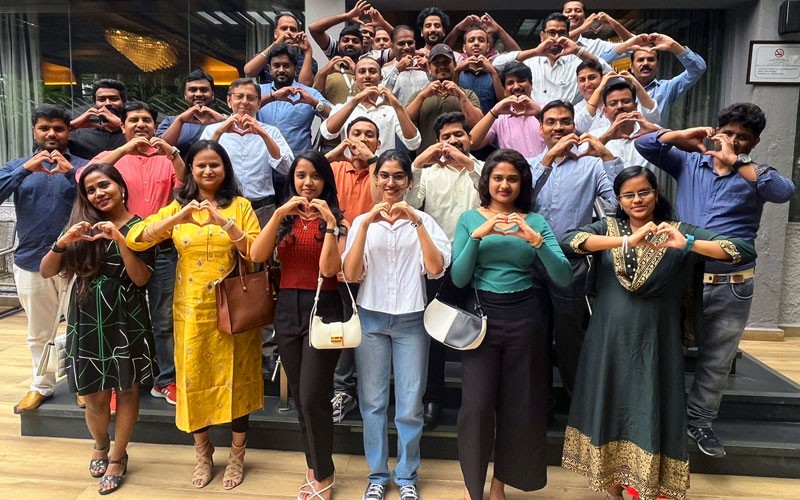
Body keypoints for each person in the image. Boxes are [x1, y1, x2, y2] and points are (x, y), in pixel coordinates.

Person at [560, 166, 756, 500]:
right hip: (608, 342)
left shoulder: (678, 231)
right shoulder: (609, 229)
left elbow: (742, 250)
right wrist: (626, 240)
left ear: (656, 193)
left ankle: (646, 483)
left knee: (648, 407)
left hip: (655, 343)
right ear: (618, 200)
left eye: (644, 192)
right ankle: (611, 486)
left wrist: (690, 244)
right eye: (628, 195)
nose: (637, 200)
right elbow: (570, 242)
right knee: (609, 405)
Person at [634, 103, 796, 457]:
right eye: (730, 133)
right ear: (717, 129)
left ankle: (700, 423)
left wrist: (737, 162)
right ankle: (664, 416)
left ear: (754, 142)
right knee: (667, 350)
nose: (735, 141)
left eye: (744, 138)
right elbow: (645, 145)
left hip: (732, 283)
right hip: (682, 277)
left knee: (717, 359)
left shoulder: (757, 173)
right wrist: (683, 136)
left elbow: (784, 192)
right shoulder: (690, 162)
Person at [126, 140, 262, 490]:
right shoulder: (178, 206)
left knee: (237, 380)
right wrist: (177, 217)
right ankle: (203, 453)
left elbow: (256, 251)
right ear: (190, 169)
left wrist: (225, 223)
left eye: (215, 164)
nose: (207, 171)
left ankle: (237, 455)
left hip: (233, 308)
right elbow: (137, 238)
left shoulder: (241, 206)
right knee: (193, 382)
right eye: (200, 165)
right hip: (190, 311)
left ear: (225, 169)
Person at [450, 148, 571, 500]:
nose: (504, 185)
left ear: (522, 184)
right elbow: (458, 278)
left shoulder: (535, 222)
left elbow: (563, 276)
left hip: (525, 317)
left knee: (520, 405)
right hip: (482, 319)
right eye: (498, 177)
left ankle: (499, 483)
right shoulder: (470, 219)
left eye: (513, 179)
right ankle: (474, 488)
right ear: (486, 181)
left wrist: (536, 242)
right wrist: (477, 237)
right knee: (476, 406)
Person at [40, 163, 155, 495]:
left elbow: (141, 278)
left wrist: (119, 238)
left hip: (126, 315)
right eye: (90, 190)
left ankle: (118, 456)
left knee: (128, 389)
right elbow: (47, 270)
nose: (98, 193)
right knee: (93, 395)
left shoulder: (140, 228)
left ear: (121, 186)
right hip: (86, 314)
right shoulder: (80, 226)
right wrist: (63, 242)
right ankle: (101, 444)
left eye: (104, 185)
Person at [343, 149, 451, 500]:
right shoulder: (361, 222)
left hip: (411, 321)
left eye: (398, 176)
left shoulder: (425, 221)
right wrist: (367, 224)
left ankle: (406, 476)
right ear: (375, 179)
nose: (390, 183)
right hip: (371, 317)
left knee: (409, 403)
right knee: (372, 401)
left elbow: (435, 269)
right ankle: (376, 475)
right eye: (384, 176)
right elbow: (351, 274)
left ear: (409, 181)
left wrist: (416, 221)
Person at [250, 151, 349, 500]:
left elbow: (328, 270)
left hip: (325, 306)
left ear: (326, 181)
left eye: (316, 176)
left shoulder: (337, 218)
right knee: (299, 397)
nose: (308, 183)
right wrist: (278, 214)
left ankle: (324, 472)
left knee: (312, 395)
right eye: (301, 176)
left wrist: (331, 224)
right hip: (287, 307)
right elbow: (257, 255)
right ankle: (314, 465)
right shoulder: (285, 219)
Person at [80, 100, 185, 406]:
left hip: (162, 249)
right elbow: (83, 179)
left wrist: (172, 152)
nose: (141, 125)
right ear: (123, 126)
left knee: (164, 317)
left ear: (155, 126)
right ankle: (117, 381)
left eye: (147, 120)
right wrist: (124, 151)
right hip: (113, 248)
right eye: (134, 120)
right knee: (120, 316)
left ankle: (165, 380)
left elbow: (185, 185)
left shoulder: (166, 159)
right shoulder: (110, 158)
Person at [529, 99, 623, 397]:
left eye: (565, 121)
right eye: (552, 122)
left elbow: (620, 204)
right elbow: (521, 203)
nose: (559, 127)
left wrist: (606, 153)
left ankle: (578, 406)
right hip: (529, 262)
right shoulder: (529, 164)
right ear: (541, 129)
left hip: (570, 262)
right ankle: (536, 405)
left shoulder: (591, 166)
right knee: (533, 337)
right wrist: (549, 160)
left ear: (575, 126)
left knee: (570, 337)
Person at [2, 104, 88, 412]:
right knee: (39, 331)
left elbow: (101, 198)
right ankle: (42, 384)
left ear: (68, 131)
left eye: (58, 128)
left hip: (78, 262)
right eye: (44, 128)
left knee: (81, 327)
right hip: (31, 260)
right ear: (35, 131)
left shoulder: (84, 166)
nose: (51, 134)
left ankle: (82, 385)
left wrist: (72, 175)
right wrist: (25, 170)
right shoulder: (17, 166)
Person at [408, 112, 483, 430]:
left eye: (459, 136)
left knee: (479, 334)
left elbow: (492, 198)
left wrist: (468, 165)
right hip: (439, 264)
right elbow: (410, 204)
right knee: (435, 334)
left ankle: (478, 401)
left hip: (480, 261)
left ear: (469, 138)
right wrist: (416, 166)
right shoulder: (428, 172)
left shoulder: (480, 168)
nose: (453, 142)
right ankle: (433, 399)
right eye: (446, 137)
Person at [324, 117, 383, 423]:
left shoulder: (381, 171)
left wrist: (373, 162)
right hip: (335, 258)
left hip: (375, 260)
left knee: (369, 325)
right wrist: (335, 152)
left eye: (369, 134)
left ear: (378, 143)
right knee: (343, 323)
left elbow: (380, 198)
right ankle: (343, 389)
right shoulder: (333, 169)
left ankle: (370, 391)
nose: (361, 139)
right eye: (355, 133)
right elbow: (308, 175)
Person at [201, 77, 294, 226]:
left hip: (263, 209)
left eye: (251, 98)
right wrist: (220, 132)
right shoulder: (212, 131)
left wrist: (263, 134)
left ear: (258, 104)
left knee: (263, 250)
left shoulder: (271, 131)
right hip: (224, 206)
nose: (245, 102)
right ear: (229, 101)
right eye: (239, 97)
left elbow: (287, 168)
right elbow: (200, 164)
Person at [257, 43, 331, 202]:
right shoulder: (258, 92)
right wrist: (273, 96)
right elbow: (241, 111)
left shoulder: (308, 93)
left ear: (295, 68)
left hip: (297, 172)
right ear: (269, 69)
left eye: (286, 65)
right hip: (262, 172)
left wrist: (313, 102)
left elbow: (334, 117)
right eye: (276, 66)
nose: (281, 70)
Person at [492, 13, 609, 105]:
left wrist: (578, 51)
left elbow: (608, 72)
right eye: (551, 33)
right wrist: (534, 52)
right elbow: (498, 64)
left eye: (562, 33)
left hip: (572, 124)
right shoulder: (529, 61)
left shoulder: (578, 61)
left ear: (568, 36)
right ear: (542, 36)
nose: (557, 38)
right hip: (537, 123)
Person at [320, 57, 422, 155]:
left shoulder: (390, 110)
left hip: (381, 170)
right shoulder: (344, 107)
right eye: (362, 71)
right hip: (353, 170)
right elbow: (327, 133)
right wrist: (355, 101)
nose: (367, 76)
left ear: (381, 78)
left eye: (372, 71)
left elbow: (413, 143)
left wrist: (397, 105)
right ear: (355, 79)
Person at [611, 32, 707, 125]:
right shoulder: (616, 87)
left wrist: (674, 46)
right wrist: (623, 47)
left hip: (652, 140)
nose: (645, 63)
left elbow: (698, 69)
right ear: (631, 67)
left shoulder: (667, 88)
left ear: (657, 66)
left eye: (651, 59)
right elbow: (597, 63)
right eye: (640, 60)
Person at [407, 44, 483, 150]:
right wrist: (423, 95)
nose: (442, 66)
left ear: (455, 64)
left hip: (461, 161)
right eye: (436, 63)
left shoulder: (468, 94)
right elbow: (405, 122)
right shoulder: (418, 95)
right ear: (429, 67)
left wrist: (461, 95)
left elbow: (478, 125)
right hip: (428, 162)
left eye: (446, 62)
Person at [468, 62, 546, 158]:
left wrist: (540, 114)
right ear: (504, 90)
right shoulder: (498, 119)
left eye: (521, 80)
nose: (516, 87)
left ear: (531, 84)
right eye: (510, 83)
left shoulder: (547, 110)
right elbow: (472, 144)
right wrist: (494, 111)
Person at [574, 62, 659, 134]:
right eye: (582, 80)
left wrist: (635, 83)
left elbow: (653, 117)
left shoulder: (625, 103)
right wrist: (600, 88)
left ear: (602, 78)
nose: (587, 84)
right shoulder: (576, 109)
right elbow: (580, 127)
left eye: (592, 78)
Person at [157, 69, 225, 156]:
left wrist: (223, 121)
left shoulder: (224, 121)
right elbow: (161, 149)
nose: (198, 94)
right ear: (185, 95)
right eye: (193, 90)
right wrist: (180, 120)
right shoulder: (170, 122)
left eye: (204, 90)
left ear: (213, 94)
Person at [243, 13, 316, 86]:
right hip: (269, 96)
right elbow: (249, 71)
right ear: (275, 33)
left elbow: (305, 85)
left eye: (293, 29)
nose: (288, 32)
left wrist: (308, 51)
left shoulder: (307, 60)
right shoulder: (266, 55)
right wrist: (277, 43)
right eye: (284, 28)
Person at [69, 79, 127, 160]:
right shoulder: (80, 136)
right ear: (95, 104)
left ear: (123, 102)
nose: (108, 103)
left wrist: (122, 124)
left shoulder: (135, 133)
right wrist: (72, 125)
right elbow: (50, 144)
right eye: (101, 99)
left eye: (113, 98)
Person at [380, 26, 432, 106]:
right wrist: (396, 70)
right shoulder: (385, 71)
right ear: (392, 46)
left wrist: (429, 71)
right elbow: (382, 97)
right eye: (401, 44)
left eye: (410, 43)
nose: (407, 47)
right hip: (397, 117)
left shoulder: (425, 66)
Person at [563, 2, 633, 61]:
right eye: (568, 11)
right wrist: (582, 28)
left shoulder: (595, 45)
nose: (573, 14)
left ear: (585, 18)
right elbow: (558, 40)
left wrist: (613, 23)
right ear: (561, 17)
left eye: (578, 11)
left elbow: (631, 46)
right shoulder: (554, 41)